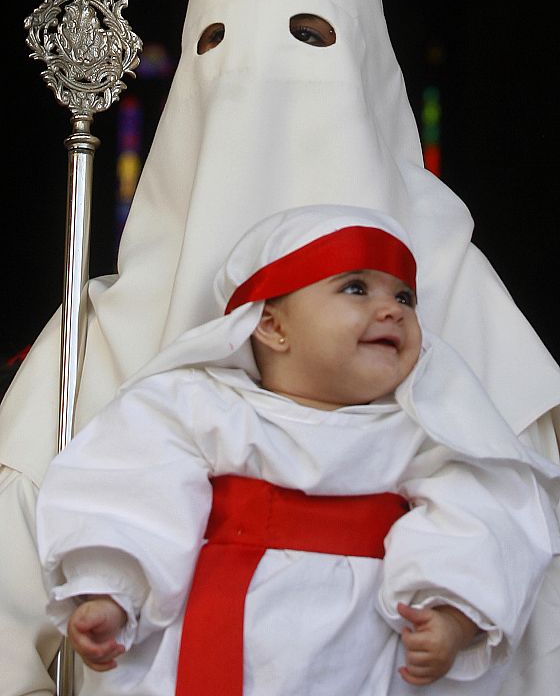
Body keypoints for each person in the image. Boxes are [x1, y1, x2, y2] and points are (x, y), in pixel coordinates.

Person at [2, 0, 559, 693]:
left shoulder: (469, 324)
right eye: (218, 46)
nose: (265, 76)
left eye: (312, 37)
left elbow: (535, 598)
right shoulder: (94, 340)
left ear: (367, 69)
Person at [36, 205, 559, 696]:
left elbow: (483, 513)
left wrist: (453, 612)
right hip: (213, 635)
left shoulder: (428, 430)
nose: (392, 311)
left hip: (368, 654)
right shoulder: (198, 405)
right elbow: (134, 484)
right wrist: (110, 591)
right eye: (356, 288)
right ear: (271, 325)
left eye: (405, 298)